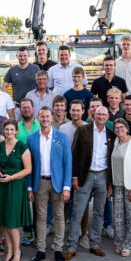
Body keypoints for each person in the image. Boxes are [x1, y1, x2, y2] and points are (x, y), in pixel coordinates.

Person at [66, 106, 114, 259]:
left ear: (107, 117)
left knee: (99, 212)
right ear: (93, 114)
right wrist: (74, 176)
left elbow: (111, 160)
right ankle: (72, 246)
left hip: (103, 176)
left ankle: (95, 244)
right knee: (77, 211)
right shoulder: (83, 130)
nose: (101, 117)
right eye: (98, 114)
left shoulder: (111, 134)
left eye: (104, 114)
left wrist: (110, 183)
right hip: (85, 176)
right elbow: (74, 154)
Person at [26, 107, 72, 261]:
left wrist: (67, 187)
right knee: (41, 217)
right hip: (40, 182)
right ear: (38, 118)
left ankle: (58, 249)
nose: (45, 119)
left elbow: (68, 162)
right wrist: (29, 187)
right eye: (42, 116)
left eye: (47, 116)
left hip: (58, 182)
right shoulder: (32, 138)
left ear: (52, 118)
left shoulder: (62, 137)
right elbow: (30, 164)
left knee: (59, 216)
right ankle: (41, 249)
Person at [0, 120, 32, 261]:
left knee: (12, 221)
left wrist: (11, 177)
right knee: (4, 220)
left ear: (16, 131)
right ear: (3, 130)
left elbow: (28, 169)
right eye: (7, 129)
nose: (9, 132)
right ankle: (9, 251)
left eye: (12, 129)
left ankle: (17, 252)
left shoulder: (22, 147)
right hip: (2, 186)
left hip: (15, 185)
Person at [110, 118, 131, 257]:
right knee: (118, 217)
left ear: (127, 128)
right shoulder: (116, 142)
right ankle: (119, 242)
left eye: (122, 127)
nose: (119, 130)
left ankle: (130, 245)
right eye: (117, 127)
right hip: (117, 185)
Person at [60, 100, 90, 249]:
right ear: (69, 111)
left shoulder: (88, 127)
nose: (75, 113)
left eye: (78, 110)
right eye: (73, 110)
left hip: (83, 172)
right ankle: (62, 236)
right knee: (65, 204)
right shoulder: (63, 128)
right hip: (66, 170)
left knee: (84, 206)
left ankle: (83, 235)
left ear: (83, 111)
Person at [3, 46, 39, 120]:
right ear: (17, 56)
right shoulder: (12, 70)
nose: (22, 58)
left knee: (34, 126)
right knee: (18, 127)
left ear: (29, 55)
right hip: (18, 108)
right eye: (20, 56)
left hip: (33, 107)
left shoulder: (35, 68)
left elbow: (42, 85)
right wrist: (10, 100)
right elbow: (3, 87)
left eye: (25, 55)